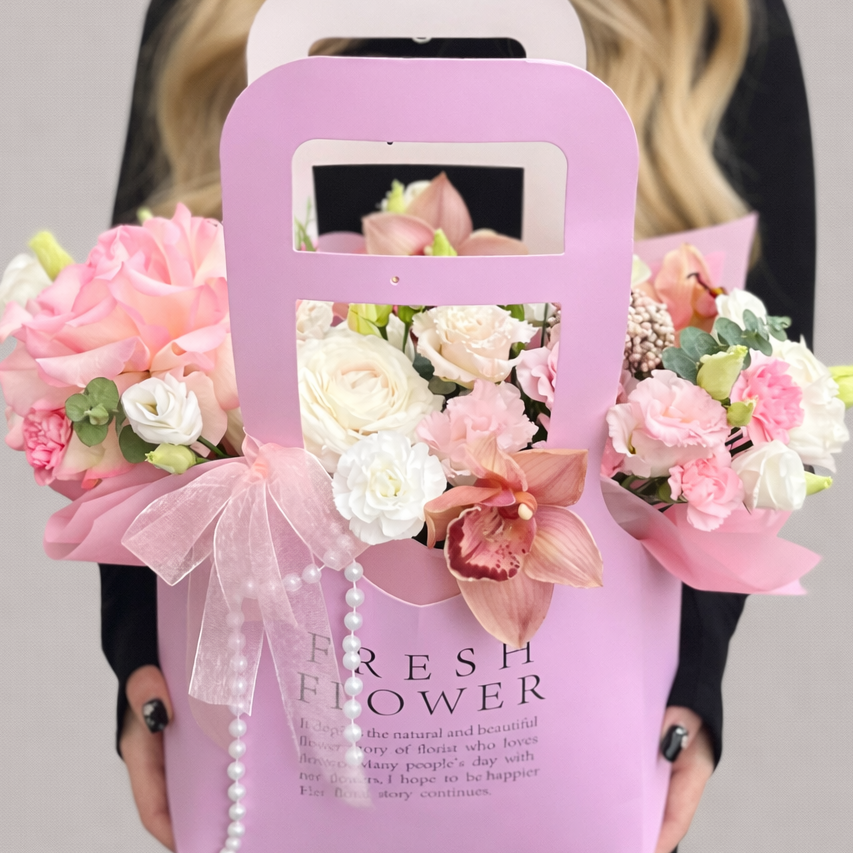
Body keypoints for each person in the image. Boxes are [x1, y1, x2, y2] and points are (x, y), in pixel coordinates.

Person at [102, 1, 816, 851]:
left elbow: (754, 399)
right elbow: (135, 350)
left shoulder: (709, 17)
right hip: (265, 703)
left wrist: (690, 674)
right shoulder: (212, 15)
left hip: (568, 733)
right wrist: (140, 645)